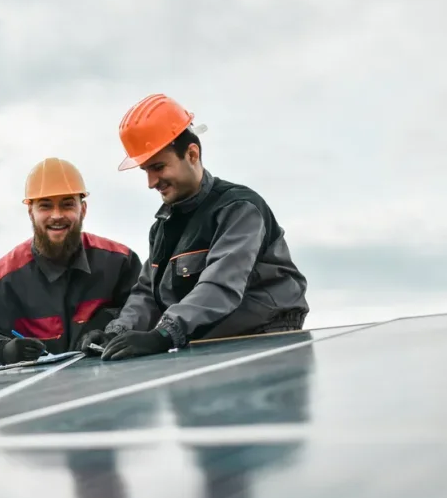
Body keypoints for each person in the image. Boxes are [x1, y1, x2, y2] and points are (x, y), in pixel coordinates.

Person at [80, 93, 309, 361]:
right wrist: (116, 332)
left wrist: (164, 334)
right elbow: (147, 294)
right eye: (145, 171)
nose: (151, 182)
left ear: (191, 154)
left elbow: (220, 286)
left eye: (158, 167)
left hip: (267, 340)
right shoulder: (163, 227)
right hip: (207, 344)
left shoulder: (240, 209)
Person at [0, 157, 142, 370]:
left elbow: (146, 310)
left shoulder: (120, 262)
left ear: (83, 209)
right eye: (45, 206)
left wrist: (111, 330)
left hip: (112, 391)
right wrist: (4, 350)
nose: (57, 215)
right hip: (40, 399)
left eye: (67, 204)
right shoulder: (0, 281)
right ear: (30, 212)